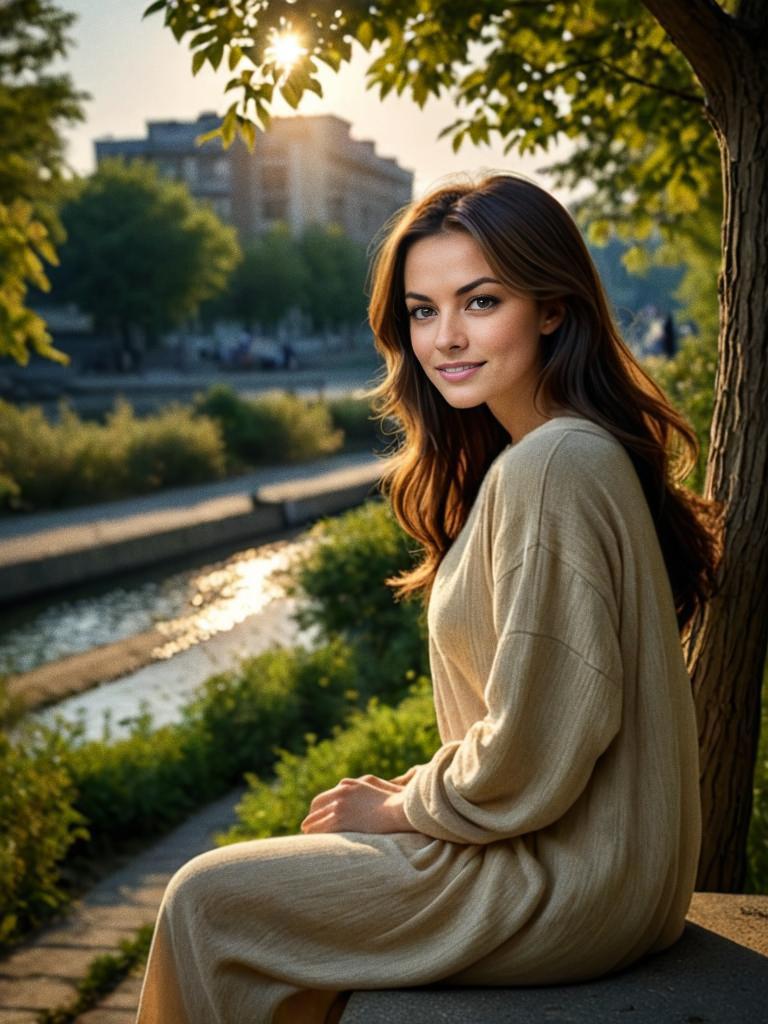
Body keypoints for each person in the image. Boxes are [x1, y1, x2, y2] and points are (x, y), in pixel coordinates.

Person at [135, 173, 722, 1024]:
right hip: (603, 867)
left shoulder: (551, 466)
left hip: (565, 878)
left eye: (479, 302)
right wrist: (415, 791)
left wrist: (402, 804)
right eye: (421, 310)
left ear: (551, 308)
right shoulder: (560, 453)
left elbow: (535, 740)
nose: (445, 338)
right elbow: (551, 711)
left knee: (203, 898)